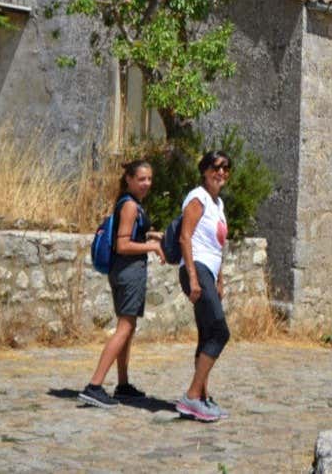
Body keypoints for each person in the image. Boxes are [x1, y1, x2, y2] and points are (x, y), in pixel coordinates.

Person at [79, 160, 164, 408]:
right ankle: (94, 386)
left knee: (128, 327)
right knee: (124, 328)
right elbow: (122, 245)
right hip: (129, 272)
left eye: (149, 179)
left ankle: (123, 385)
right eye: (141, 179)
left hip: (125, 272)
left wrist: (150, 235)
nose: (146, 183)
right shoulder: (129, 206)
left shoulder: (130, 204)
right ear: (128, 179)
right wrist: (153, 246)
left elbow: (129, 236)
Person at [174, 151, 234, 423]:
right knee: (220, 332)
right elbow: (185, 237)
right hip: (196, 268)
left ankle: (202, 399)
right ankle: (191, 396)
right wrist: (194, 279)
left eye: (225, 168)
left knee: (207, 333)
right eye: (216, 167)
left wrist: (220, 279)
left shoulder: (217, 203)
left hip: (208, 271)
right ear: (205, 170)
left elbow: (217, 245)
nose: (221, 172)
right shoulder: (197, 198)